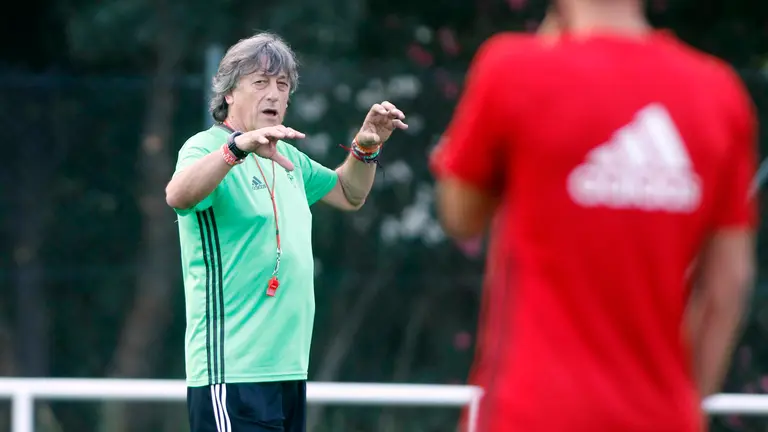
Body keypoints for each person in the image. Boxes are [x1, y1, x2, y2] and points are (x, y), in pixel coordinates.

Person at [430, 0, 758, 431]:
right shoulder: (720, 92)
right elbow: (727, 285)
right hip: (661, 418)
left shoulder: (514, 69)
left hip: (530, 413)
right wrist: (682, 402)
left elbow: (460, 217)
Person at [165, 32, 407, 432]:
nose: (273, 94)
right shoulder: (204, 148)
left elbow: (349, 193)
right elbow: (177, 195)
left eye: (282, 85)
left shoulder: (287, 155)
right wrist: (236, 149)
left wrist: (366, 148)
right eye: (260, 83)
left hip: (288, 372)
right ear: (229, 93)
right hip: (232, 374)